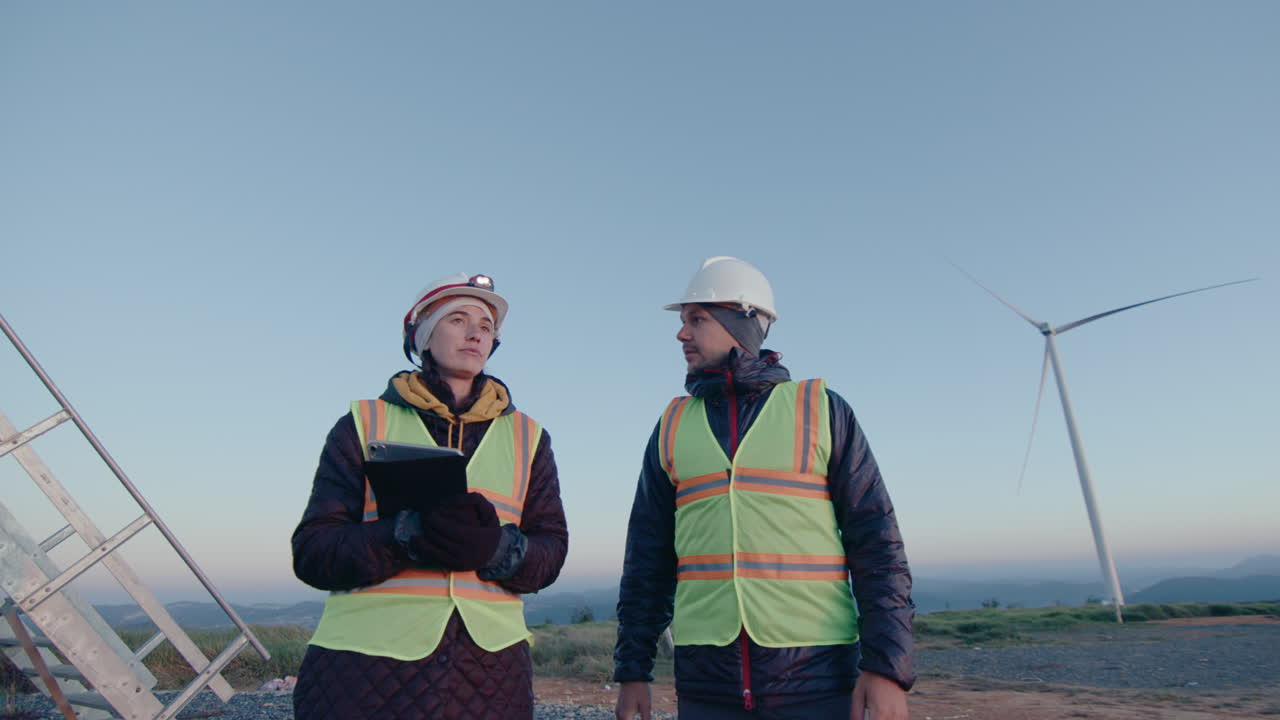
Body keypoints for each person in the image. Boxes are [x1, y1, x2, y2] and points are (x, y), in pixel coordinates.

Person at [613, 256, 915, 720]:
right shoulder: (672, 425)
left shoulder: (822, 411)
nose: (681, 334)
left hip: (818, 679)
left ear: (742, 322)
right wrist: (633, 670)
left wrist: (887, 668)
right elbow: (646, 560)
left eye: (697, 319)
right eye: (682, 321)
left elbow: (877, 545)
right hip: (706, 685)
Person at [292, 272, 568, 720]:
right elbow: (312, 552)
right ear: (422, 335)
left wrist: (498, 549)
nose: (477, 331)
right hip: (363, 673)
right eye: (458, 319)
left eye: (486, 324)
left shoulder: (529, 438)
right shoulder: (362, 425)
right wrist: (407, 536)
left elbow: (551, 552)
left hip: (490, 678)